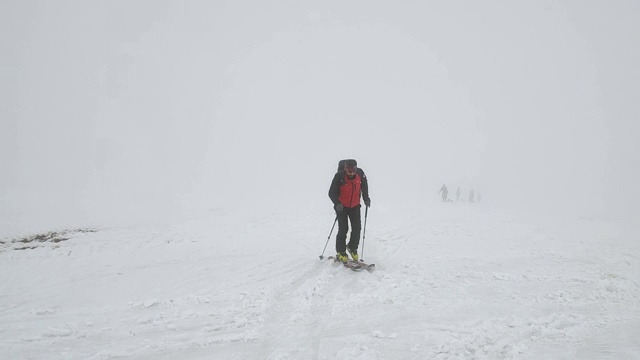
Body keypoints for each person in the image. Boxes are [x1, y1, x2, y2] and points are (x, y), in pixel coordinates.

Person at [328, 160, 370, 263]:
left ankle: (352, 247)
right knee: (343, 228)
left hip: (355, 205)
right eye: (349, 170)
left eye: (353, 170)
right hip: (342, 206)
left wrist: (366, 198)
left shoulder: (360, 174)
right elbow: (331, 192)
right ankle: (341, 251)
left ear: (356, 169)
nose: (351, 172)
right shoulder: (339, 177)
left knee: (357, 228)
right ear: (345, 169)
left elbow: (364, 186)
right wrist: (337, 203)